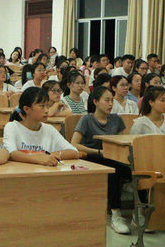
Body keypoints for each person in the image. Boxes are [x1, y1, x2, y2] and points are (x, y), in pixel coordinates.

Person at [70, 86, 130, 234]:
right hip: (92, 158)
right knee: (113, 172)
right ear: (96, 102)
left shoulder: (116, 119)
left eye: (112, 101)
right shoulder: (87, 119)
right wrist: (98, 152)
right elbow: (74, 144)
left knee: (137, 170)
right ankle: (115, 214)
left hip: (112, 157)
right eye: (107, 100)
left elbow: (123, 141)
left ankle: (141, 214)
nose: (110, 104)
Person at [4, 87, 78, 166]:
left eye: (47, 106)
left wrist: (51, 155)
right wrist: (37, 158)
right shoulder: (12, 127)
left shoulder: (49, 129)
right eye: (42, 106)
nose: (46, 110)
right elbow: (11, 153)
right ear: (26, 109)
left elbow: (74, 152)